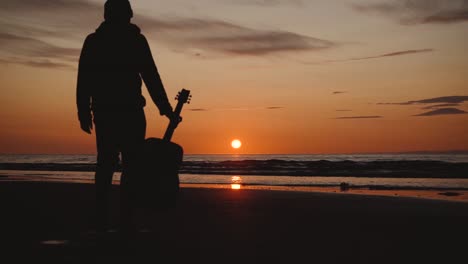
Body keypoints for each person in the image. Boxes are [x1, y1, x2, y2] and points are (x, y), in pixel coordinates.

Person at [76, 0, 176, 235]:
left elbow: (84, 79)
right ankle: (123, 221)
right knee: (128, 167)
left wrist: (83, 110)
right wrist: (165, 108)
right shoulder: (132, 40)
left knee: (108, 166)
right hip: (126, 112)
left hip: (108, 112)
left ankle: (106, 220)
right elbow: (151, 75)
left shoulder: (96, 41)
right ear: (128, 13)